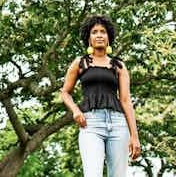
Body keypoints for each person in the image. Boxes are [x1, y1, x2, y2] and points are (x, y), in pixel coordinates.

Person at [60, 14, 141, 177]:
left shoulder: (119, 66)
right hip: (91, 124)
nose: (99, 35)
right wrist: (76, 110)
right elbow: (65, 92)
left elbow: (126, 101)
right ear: (89, 38)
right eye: (94, 32)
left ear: (108, 37)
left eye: (103, 32)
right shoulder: (80, 63)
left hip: (118, 124)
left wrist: (134, 136)